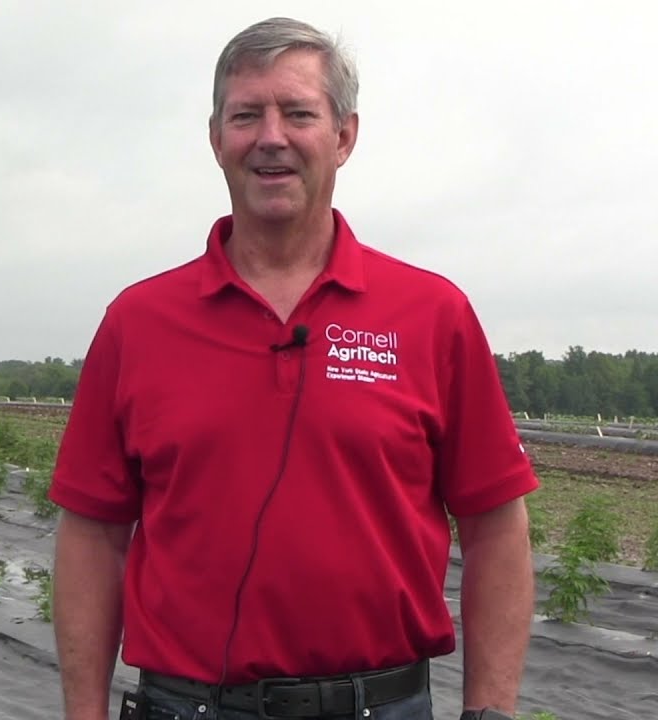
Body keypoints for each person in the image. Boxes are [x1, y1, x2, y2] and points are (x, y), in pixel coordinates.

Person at [47, 16, 538, 720]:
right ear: (216, 139)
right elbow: (93, 535)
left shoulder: (432, 314)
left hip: (381, 705)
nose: (270, 137)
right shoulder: (139, 322)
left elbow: (496, 524)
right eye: (246, 115)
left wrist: (490, 712)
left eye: (298, 114)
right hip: (187, 708)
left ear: (344, 137)